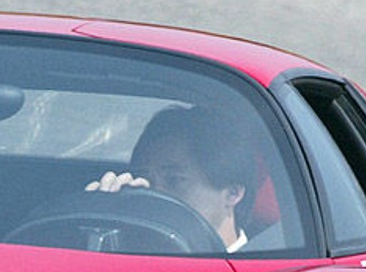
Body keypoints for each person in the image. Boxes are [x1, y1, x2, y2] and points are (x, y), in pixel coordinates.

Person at [85, 106, 270, 252]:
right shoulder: (126, 252)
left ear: (232, 193)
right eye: (146, 180)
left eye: (174, 180)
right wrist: (101, 214)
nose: (155, 194)